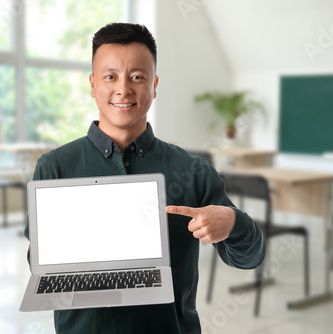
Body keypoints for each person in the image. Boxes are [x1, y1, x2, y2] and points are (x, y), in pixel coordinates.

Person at [25, 23, 265, 333]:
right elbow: (38, 264)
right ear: (92, 84)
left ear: (154, 85)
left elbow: (250, 258)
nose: (123, 89)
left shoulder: (192, 170)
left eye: (137, 77)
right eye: (110, 76)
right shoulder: (54, 167)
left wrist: (233, 222)